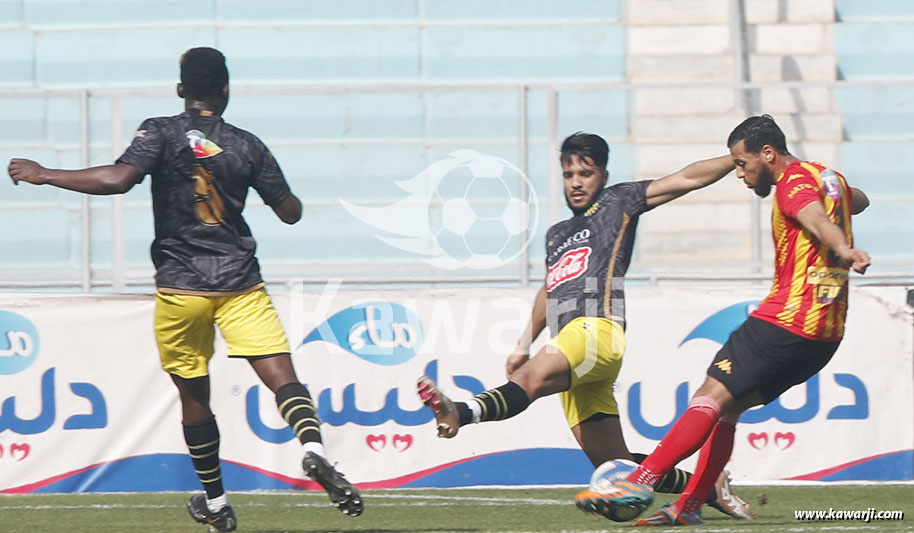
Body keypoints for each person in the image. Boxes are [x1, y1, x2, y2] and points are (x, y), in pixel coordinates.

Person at [7, 47, 362, 532]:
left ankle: (216, 502)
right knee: (283, 377)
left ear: (180, 91)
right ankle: (313, 448)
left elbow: (118, 180)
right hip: (240, 282)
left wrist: (45, 173)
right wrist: (270, 185)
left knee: (195, 397)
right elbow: (290, 212)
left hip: (182, 286)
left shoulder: (160, 130)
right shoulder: (248, 144)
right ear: (227, 89)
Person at [417, 132, 754, 519]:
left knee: (528, 380)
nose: (576, 181)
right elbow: (549, 289)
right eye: (568, 173)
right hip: (571, 348)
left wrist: (736, 159)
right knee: (618, 467)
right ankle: (708, 485)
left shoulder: (617, 203)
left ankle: (459, 412)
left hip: (597, 333)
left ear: (603, 174)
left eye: (585, 172)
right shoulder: (556, 235)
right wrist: (523, 342)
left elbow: (685, 178)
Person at [575, 115, 871, 526]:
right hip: (824, 335)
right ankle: (689, 506)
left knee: (709, 395)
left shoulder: (793, 184)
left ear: (768, 154)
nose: (741, 174)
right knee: (727, 410)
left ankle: (640, 480)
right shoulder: (827, 178)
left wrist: (843, 248)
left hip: (785, 320)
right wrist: (839, 222)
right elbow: (858, 201)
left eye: (742, 163)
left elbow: (815, 220)